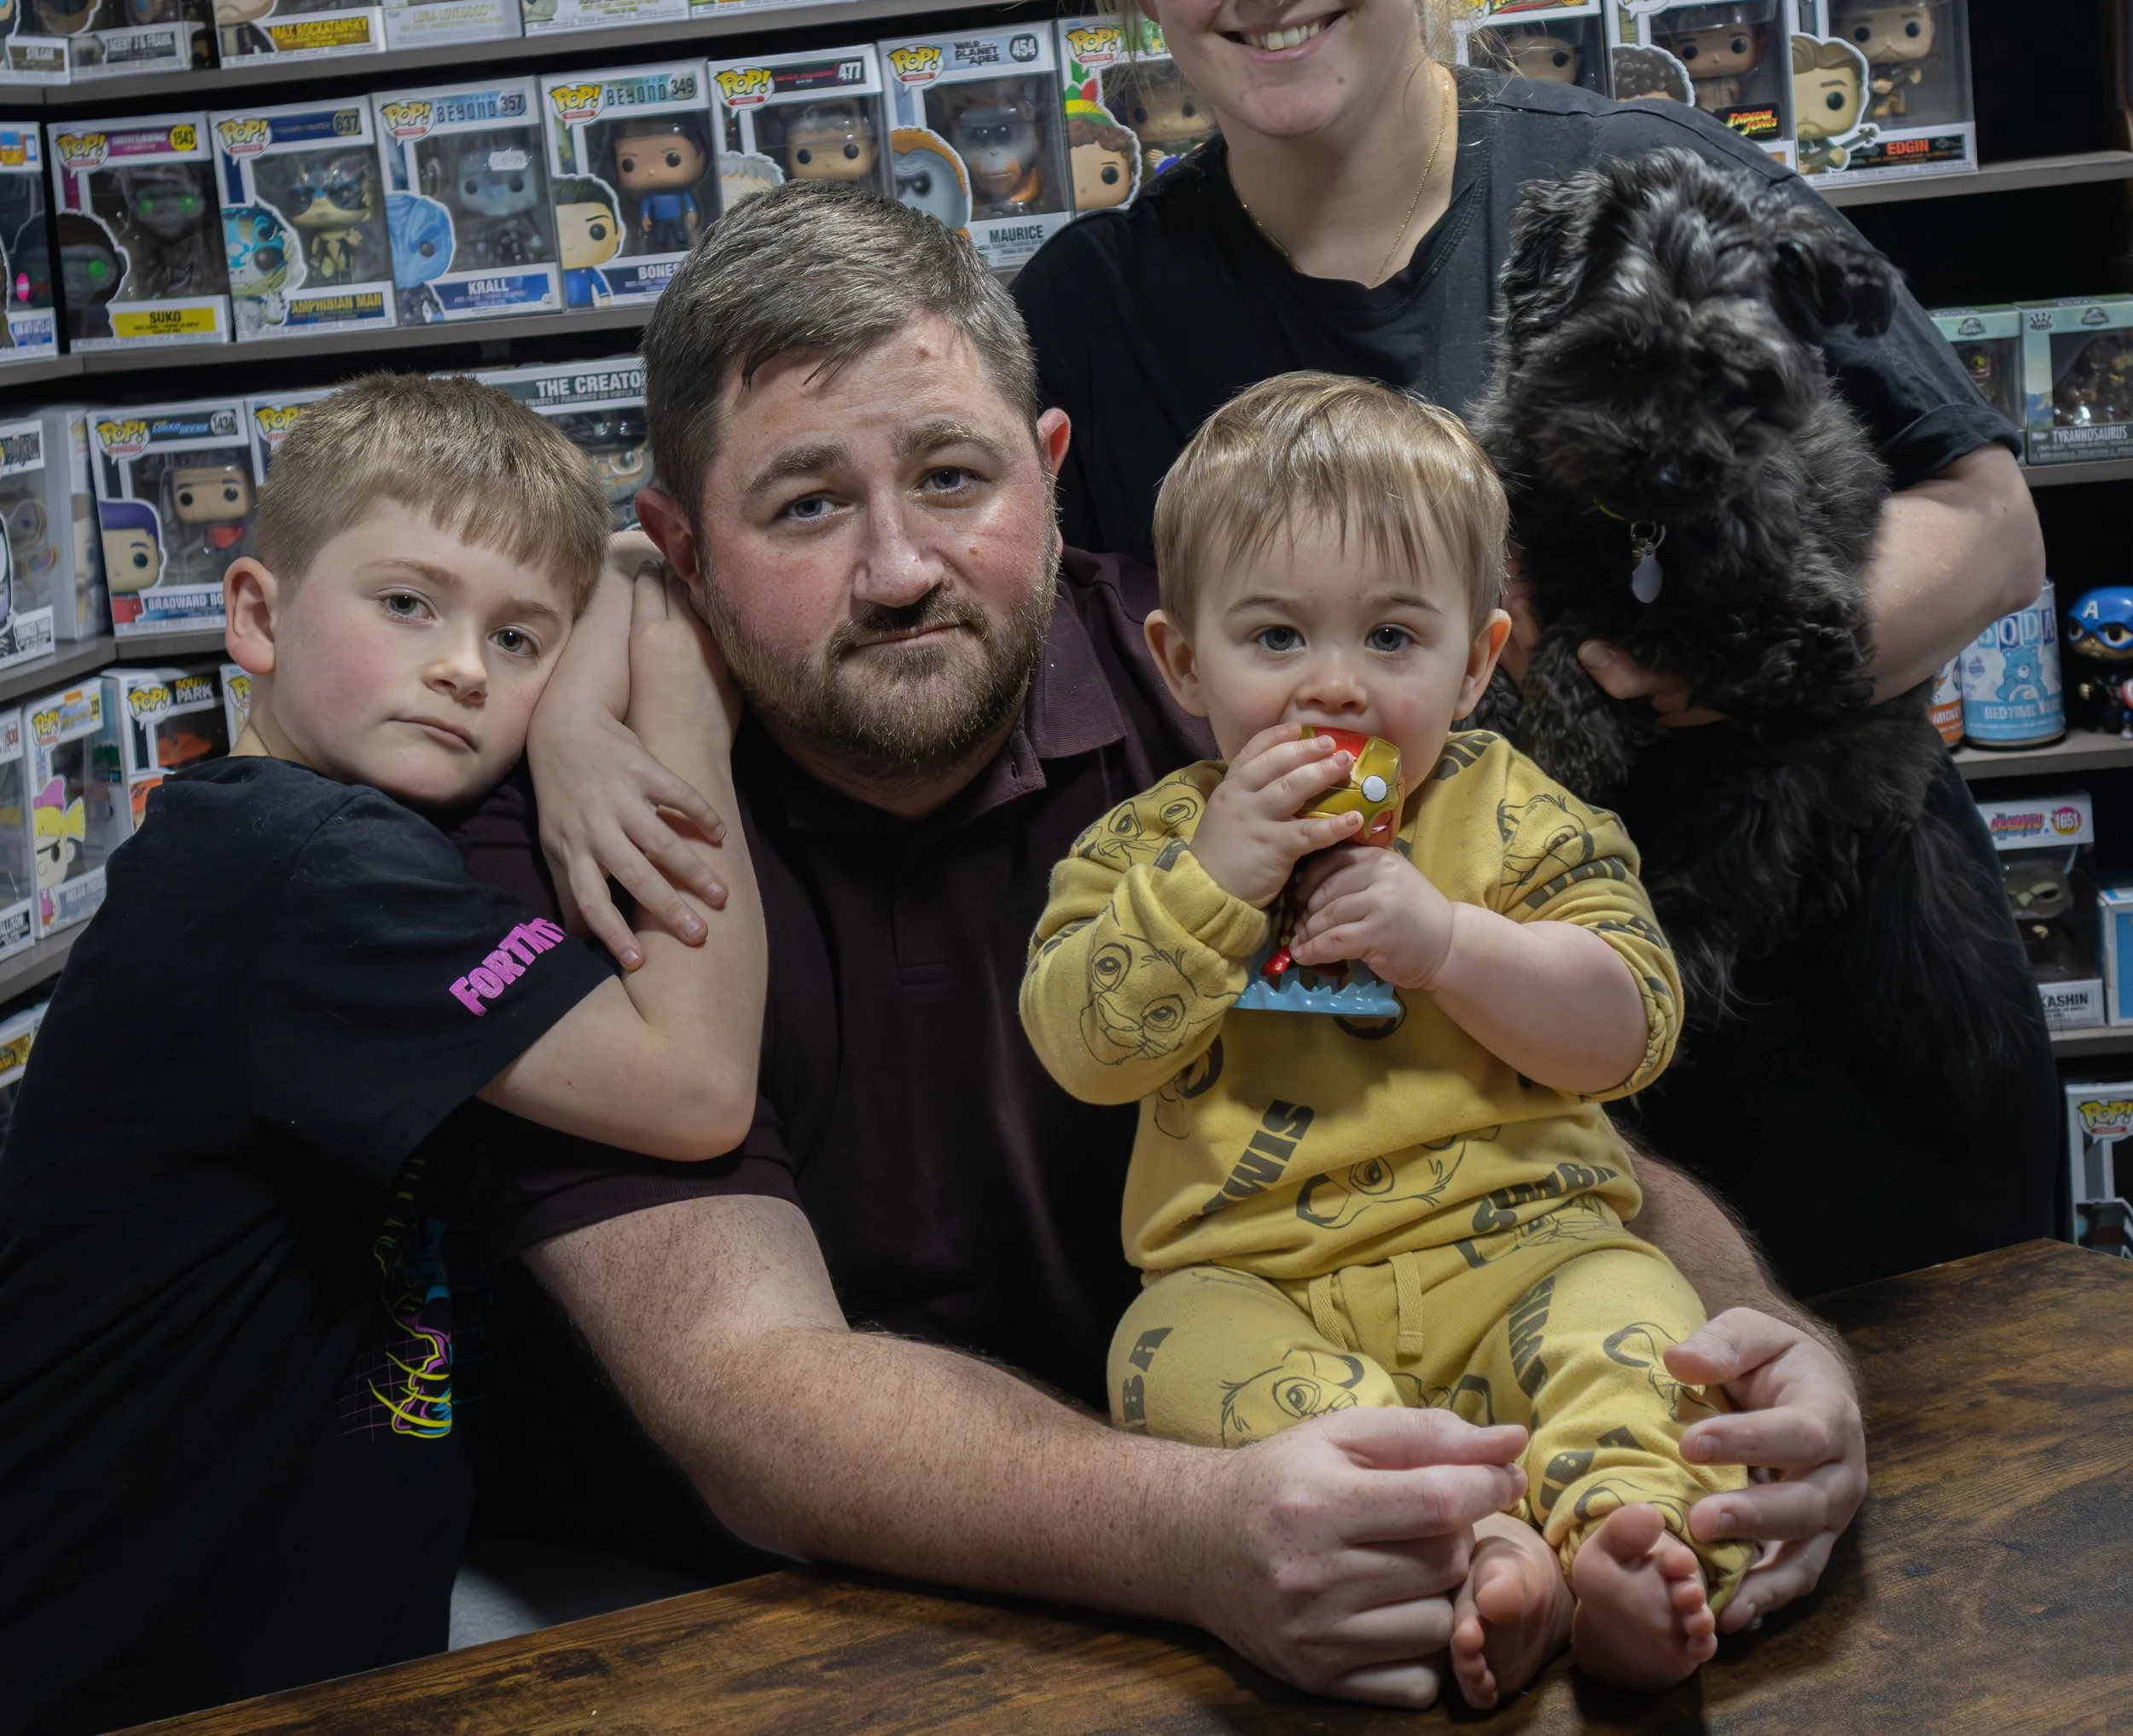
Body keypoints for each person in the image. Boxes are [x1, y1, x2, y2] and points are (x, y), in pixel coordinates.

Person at [492, 184, 1868, 1710]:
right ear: (676, 547)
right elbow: (749, 1393)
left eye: (955, 476)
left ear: (1053, 469)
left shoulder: (1265, 670)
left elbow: (1518, 1129)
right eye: (805, 506)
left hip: (1323, 1541)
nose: (898, 568)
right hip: (765, 1637)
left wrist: (1756, 1364)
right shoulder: (584, 828)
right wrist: (1195, 1534)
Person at [1009, 0, 2058, 1302]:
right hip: (1440, 1159)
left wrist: (1692, 668)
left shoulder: (1646, 191)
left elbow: (1987, 529)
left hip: (1829, 1040)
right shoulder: (1088, 310)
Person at [0, 375, 764, 1736]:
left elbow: (629, 570)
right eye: (408, 604)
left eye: (520, 638)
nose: (467, 666)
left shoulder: (269, 837)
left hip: (301, 1640)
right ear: (255, 614)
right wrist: (680, 725)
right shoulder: (306, 866)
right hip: (139, 1671)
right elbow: (695, 1090)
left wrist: (577, 718)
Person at [1023, 374, 1751, 1701]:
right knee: (1164, 1351)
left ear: (1476, 664)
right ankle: (1471, 1547)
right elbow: (1084, 1046)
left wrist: (1452, 944)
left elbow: (1632, 1023)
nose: (1337, 689)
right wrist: (1213, 880)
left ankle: (1628, 1547)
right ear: (1184, 662)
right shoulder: (1143, 844)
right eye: (1279, 638)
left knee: (1633, 1313)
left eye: (1394, 640)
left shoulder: (1512, 815)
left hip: (1526, 1253)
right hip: (1264, 1289)